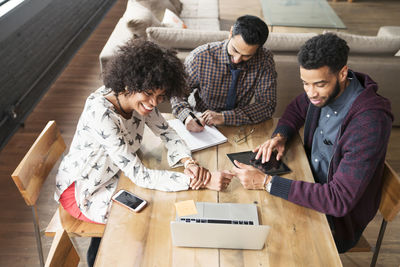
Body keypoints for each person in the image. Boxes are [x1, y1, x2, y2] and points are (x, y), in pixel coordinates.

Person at [54, 39, 233, 267]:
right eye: (149, 94)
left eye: (160, 97)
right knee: (150, 213)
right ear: (129, 83)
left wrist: (188, 162)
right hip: (86, 189)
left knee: (161, 201)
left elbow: (167, 133)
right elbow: (139, 174)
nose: (153, 103)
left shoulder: (140, 98)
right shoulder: (102, 114)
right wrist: (202, 180)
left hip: (117, 174)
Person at [232, 33, 393, 253]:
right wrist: (281, 136)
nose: (310, 93)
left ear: (343, 73)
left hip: (335, 222)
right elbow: (297, 109)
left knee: (258, 242)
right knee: (239, 211)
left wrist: (267, 182)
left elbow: (339, 200)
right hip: (304, 180)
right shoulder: (326, 91)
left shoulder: (369, 123)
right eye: (305, 84)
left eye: (318, 84)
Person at [170, 15, 277, 132]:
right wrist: (187, 116)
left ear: (259, 49)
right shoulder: (200, 57)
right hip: (201, 125)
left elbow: (266, 105)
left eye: (247, 55)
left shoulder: (264, 60)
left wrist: (225, 117)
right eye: (235, 50)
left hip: (239, 125)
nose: (237, 59)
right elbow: (177, 94)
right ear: (230, 33)